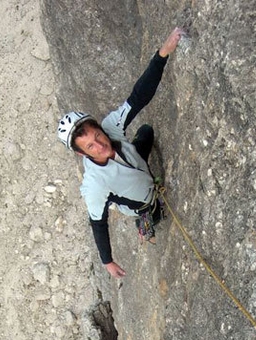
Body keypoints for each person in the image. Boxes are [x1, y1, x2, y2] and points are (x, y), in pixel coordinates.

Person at [57, 27, 183, 278]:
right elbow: (98, 223)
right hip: (141, 199)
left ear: (100, 128)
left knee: (146, 131)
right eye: (90, 146)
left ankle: (141, 162)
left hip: (136, 164)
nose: (100, 145)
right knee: (154, 212)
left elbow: (138, 97)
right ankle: (145, 222)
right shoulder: (95, 185)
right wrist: (107, 261)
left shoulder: (111, 126)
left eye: (98, 136)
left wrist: (162, 54)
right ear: (82, 154)